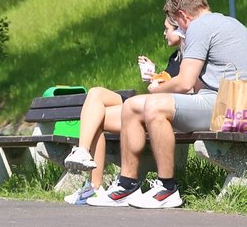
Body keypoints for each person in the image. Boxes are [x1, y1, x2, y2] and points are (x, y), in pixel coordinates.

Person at [86, 0, 247, 208]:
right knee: (133, 105)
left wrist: (157, 90)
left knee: (155, 105)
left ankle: (167, 188)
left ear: (183, 15)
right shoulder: (230, 22)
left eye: (178, 23)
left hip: (233, 108)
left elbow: (185, 83)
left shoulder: (199, 27)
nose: (180, 30)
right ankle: (127, 184)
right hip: (241, 104)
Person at [62, 16, 185, 205]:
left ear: (179, 29)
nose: (164, 33)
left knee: (97, 117)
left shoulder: (190, 56)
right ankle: (86, 162)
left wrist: (156, 82)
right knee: (95, 95)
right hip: (146, 106)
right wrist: (153, 75)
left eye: (166, 29)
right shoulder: (175, 57)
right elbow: (165, 84)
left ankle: (93, 182)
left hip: (157, 111)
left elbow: (178, 87)